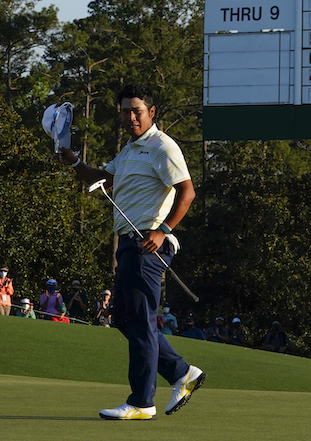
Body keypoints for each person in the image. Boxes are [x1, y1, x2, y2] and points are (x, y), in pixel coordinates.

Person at [59, 83, 204, 420]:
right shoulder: (129, 149)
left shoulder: (163, 146)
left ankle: (142, 402)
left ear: (151, 113)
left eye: (136, 110)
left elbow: (187, 192)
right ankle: (182, 372)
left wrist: (163, 230)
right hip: (128, 244)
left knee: (139, 320)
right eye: (125, 111)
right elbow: (101, 178)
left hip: (147, 245)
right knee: (124, 318)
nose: (130, 117)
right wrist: (74, 162)